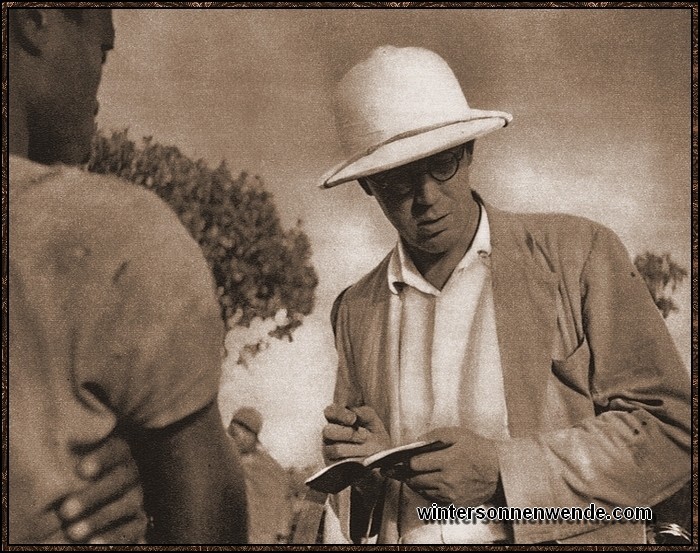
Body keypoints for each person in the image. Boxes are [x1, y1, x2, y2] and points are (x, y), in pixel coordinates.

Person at [319, 45, 690, 544]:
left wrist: (504, 474)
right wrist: (364, 467)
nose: (426, 197)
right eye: (397, 180)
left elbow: (672, 432)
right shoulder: (356, 309)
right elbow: (364, 500)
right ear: (368, 186)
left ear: (470, 150)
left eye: (442, 165)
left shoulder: (577, 256)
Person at [8, 8, 247, 544]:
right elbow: (209, 515)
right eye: (102, 47)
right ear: (35, 21)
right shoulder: (116, 237)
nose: (100, 75)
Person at [228, 407, 294, 544]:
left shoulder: (273, 470)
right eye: (233, 433)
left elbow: (285, 500)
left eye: (245, 432)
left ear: (253, 435)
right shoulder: (226, 463)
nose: (239, 438)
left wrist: (282, 536)